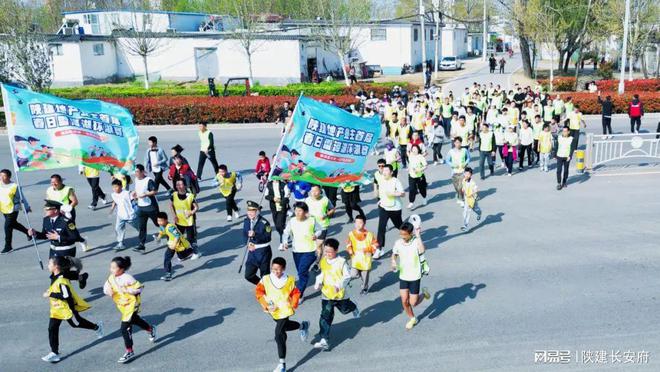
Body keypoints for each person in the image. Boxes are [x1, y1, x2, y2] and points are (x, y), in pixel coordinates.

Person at [41, 256, 103, 363]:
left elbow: (66, 295)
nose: (48, 265)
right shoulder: (55, 276)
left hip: (66, 308)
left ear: (56, 267)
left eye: (50, 264)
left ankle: (97, 327)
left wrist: (50, 293)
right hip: (56, 309)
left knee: (76, 323)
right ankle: (54, 353)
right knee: (52, 329)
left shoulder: (62, 281)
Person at [254, 257, 309, 372]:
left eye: (278, 270)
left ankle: (282, 364)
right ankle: (302, 326)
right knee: (285, 327)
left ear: (283, 269)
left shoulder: (289, 280)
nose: (275, 272)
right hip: (273, 310)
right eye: (273, 269)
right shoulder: (266, 279)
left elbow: (295, 292)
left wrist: (293, 304)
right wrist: (266, 304)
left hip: (285, 309)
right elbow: (259, 292)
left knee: (279, 333)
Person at [103, 256, 156, 363]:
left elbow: (139, 288)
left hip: (132, 304)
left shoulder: (128, 277)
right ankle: (150, 329)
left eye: (114, 268)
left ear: (121, 269)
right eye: (111, 267)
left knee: (124, 328)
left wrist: (128, 290)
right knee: (135, 320)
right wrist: (109, 292)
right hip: (122, 305)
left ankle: (129, 351)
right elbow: (105, 288)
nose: (111, 269)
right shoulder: (111, 278)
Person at [312, 238, 360, 351]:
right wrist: (318, 283)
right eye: (326, 251)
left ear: (336, 250)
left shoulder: (341, 261)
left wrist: (339, 285)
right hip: (327, 293)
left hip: (340, 293)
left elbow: (347, 276)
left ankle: (353, 307)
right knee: (325, 314)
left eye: (330, 252)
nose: (327, 254)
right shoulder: (323, 261)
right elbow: (322, 274)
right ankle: (324, 339)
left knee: (344, 310)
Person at [391, 222, 430, 330]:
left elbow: (422, 250)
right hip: (403, 275)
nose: (402, 236)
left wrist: (418, 236)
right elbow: (394, 254)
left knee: (413, 303)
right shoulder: (398, 243)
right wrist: (393, 261)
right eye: (401, 234)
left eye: (404, 234)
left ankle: (424, 294)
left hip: (415, 276)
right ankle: (412, 318)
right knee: (404, 301)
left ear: (410, 233)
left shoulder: (416, 241)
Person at [281, 202, 322, 302]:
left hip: (310, 250)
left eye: (300, 210)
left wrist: (316, 235)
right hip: (296, 251)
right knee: (301, 272)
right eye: (296, 210)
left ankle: (298, 295)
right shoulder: (292, 221)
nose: (297, 213)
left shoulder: (312, 220)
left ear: (305, 212)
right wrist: (285, 242)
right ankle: (301, 292)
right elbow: (286, 233)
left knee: (302, 272)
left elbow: (319, 229)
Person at [46, 174, 89, 251]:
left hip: (67, 213)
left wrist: (66, 208)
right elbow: (48, 202)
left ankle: (82, 241)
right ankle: (60, 248)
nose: (53, 184)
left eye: (55, 182)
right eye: (52, 182)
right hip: (55, 214)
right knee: (57, 231)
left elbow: (75, 201)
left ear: (61, 181)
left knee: (70, 233)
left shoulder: (68, 189)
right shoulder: (49, 190)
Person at [156, 212, 199, 281]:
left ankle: (193, 249)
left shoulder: (171, 227)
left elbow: (177, 236)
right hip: (172, 244)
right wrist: (158, 238)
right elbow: (161, 232)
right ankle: (168, 274)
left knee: (182, 256)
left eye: (161, 221)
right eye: (158, 220)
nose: (159, 222)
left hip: (179, 244)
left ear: (166, 220)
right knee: (167, 257)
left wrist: (174, 244)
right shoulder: (162, 226)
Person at [374, 164, 404, 258]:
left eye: (387, 170)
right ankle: (379, 249)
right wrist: (380, 200)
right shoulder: (381, 180)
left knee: (399, 225)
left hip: (395, 208)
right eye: (384, 170)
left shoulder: (395, 181)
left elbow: (403, 194)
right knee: (381, 228)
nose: (384, 172)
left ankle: (411, 235)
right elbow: (382, 193)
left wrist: (393, 193)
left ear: (391, 172)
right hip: (383, 207)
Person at [242, 200, 273, 285]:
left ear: (258, 211)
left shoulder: (265, 223)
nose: (250, 213)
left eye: (253, 211)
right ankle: (262, 286)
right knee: (248, 275)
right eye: (249, 211)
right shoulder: (246, 221)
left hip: (263, 251)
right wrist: (248, 244)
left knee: (265, 276)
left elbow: (268, 237)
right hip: (252, 252)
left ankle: (267, 291)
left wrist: (255, 235)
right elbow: (245, 234)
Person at [346, 215, 378, 295]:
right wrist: (350, 250)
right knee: (353, 274)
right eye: (356, 222)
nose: (357, 224)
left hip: (366, 260)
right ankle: (359, 275)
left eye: (360, 223)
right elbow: (348, 244)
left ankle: (365, 288)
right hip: (356, 260)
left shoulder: (370, 234)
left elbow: (375, 245)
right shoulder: (351, 234)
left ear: (364, 224)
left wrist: (367, 249)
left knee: (365, 276)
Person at [0, 169, 30, 254]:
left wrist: (26, 207)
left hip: (13, 209)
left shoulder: (14, 186)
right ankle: (28, 232)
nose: (1, 178)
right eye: (0, 175)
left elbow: (22, 197)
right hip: (4, 208)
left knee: (7, 227)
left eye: (4, 176)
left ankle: (8, 246)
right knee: (13, 224)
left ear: (9, 177)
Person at [169, 179, 201, 255]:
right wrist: (174, 216)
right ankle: (182, 254)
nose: (178, 186)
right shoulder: (174, 195)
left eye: (180, 184)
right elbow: (171, 205)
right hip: (179, 220)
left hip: (189, 221)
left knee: (190, 238)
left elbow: (196, 207)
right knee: (178, 237)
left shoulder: (190, 196)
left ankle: (196, 253)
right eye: (177, 185)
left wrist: (191, 213)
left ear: (185, 186)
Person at [132, 165, 159, 253]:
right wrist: (135, 193)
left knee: (158, 223)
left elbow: (155, 191)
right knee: (142, 227)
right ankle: (141, 245)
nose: (135, 174)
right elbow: (138, 189)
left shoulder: (148, 180)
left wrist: (146, 195)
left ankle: (172, 233)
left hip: (151, 207)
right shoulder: (136, 180)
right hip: (141, 207)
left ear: (142, 172)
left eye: (137, 172)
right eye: (135, 172)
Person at [109, 179, 138, 251]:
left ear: (121, 186)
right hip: (120, 215)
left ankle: (143, 233)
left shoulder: (127, 193)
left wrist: (135, 196)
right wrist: (112, 209)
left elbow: (134, 196)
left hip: (129, 215)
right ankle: (120, 243)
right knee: (118, 228)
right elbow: (115, 201)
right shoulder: (113, 194)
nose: (115, 189)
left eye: (116, 187)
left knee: (138, 227)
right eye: (113, 187)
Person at [305, 184, 335, 251]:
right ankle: (324, 255)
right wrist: (307, 215)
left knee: (319, 243)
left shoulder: (325, 199)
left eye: (316, 191)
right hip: (311, 225)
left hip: (322, 225)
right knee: (318, 244)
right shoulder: (307, 200)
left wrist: (326, 215)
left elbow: (332, 209)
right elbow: (304, 211)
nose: (314, 193)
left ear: (320, 191)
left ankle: (318, 260)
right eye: (312, 191)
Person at [445, 137, 470, 205]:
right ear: (454, 143)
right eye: (456, 142)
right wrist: (452, 165)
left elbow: (468, 158)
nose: (457, 144)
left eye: (459, 142)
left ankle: (461, 200)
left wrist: (465, 163)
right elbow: (447, 160)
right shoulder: (451, 151)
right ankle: (459, 196)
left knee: (460, 187)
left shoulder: (464, 150)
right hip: (454, 172)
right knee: (456, 187)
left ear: (461, 143)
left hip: (462, 172)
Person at [461, 167, 482, 232]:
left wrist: (471, 193)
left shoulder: (472, 182)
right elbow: (463, 187)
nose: (466, 175)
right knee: (466, 211)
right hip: (466, 199)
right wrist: (463, 190)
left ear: (471, 175)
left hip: (472, 199)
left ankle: (479, 213)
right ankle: (465, 225)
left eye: (468, 174)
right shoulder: (463, 180)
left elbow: (476, 189)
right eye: (465, 174)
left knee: (473, 210)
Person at [407, 144, 428, 209]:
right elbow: (410, 163)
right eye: (413, 149)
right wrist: (409, 168)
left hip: (420, 176)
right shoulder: (410, 156)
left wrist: (419, 170)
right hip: (411, 176)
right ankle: (411, 202)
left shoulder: (420, 157)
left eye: (415, 149)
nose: (414, 151)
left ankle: (424, 198)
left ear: (418, 150)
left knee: (422, 189)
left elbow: (425, 166)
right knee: (412, 189)